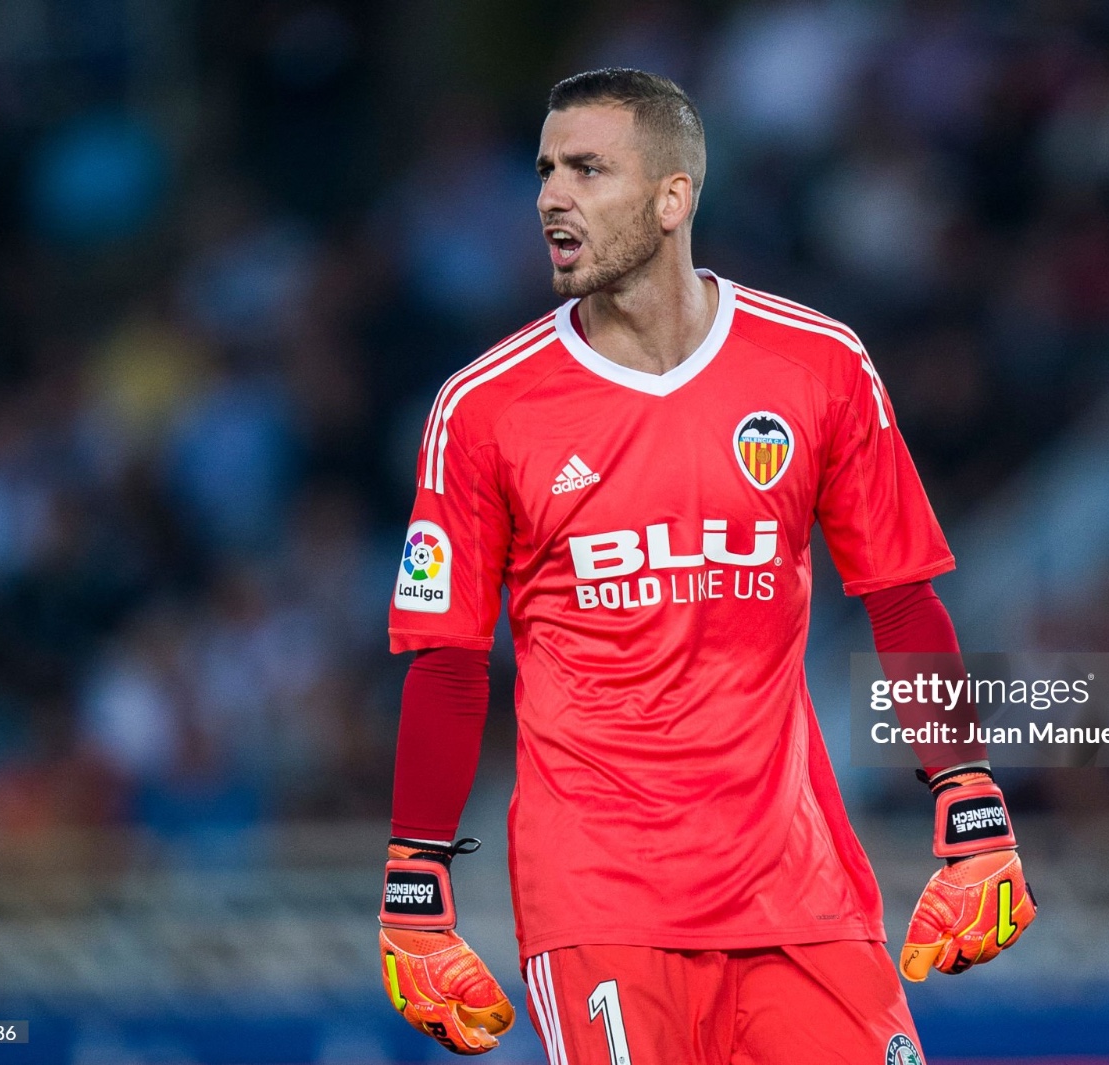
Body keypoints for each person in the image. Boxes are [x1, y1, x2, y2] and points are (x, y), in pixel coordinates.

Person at [377, 68, 1035, 1064]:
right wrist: (414, 893)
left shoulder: (816, 365)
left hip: (799, 890)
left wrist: (969, 800)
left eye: (588, 169)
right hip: (602, 904)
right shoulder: (483, 410)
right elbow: (448, 663)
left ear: (672, 196)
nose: (551, 194)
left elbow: (902, 599)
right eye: (545, 168)